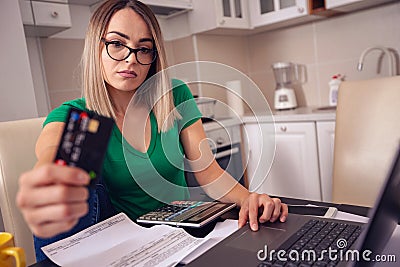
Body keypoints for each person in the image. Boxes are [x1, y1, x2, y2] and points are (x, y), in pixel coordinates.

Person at [16, 0, 288, 262]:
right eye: (117, 44)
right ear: (95, 48)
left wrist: (249, 198)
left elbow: (208, 171)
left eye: (143, 49)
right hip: (124, 248)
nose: (130, 59)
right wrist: (49, 177)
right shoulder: (79, 116)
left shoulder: (175, 96)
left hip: (179, 236)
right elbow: (54, 153)